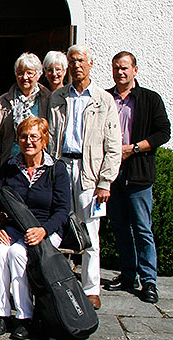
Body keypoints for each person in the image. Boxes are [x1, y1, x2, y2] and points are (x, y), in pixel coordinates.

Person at [47, 44, 122, 310]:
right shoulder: (58, 98)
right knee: (56, 225)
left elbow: (113, 146)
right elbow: (50, 138)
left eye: (81, 60)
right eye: (72, 61)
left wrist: (105, 182)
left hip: (89, 173)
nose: (77, 65)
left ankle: (91, 288)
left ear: (90, 64)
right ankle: (57, 281)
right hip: (61, 167)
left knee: (90, 230)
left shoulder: (103, 99)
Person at [0, 117, 70, 339]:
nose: (28, 141)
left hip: (45, 229)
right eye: (23, 137)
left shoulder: (56, 169)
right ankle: (1, 314)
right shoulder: (10, 167)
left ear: (44, 140)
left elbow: (63, 210)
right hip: (13, 228)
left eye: (34, 136)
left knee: (18, 254)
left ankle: (25, 316)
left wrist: (44, 230)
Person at [103, 51, 170, 304]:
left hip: (139, 175)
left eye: (125, 68)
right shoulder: (106, 98)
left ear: (135, 70)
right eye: (116, 68)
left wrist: (135, 148)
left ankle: (149, 281)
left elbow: (164, 132)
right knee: (120, 227)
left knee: (143, 229)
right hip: (112, 175)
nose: (121, 72)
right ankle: (128, 275)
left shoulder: (150, 99)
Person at [0, 52, 51, 168]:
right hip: (11, 161)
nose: (25, 77)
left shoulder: (47, 99)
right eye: (20, 73)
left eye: (30, 73)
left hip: (39, 163)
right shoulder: (4, 100)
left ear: (38, 75)